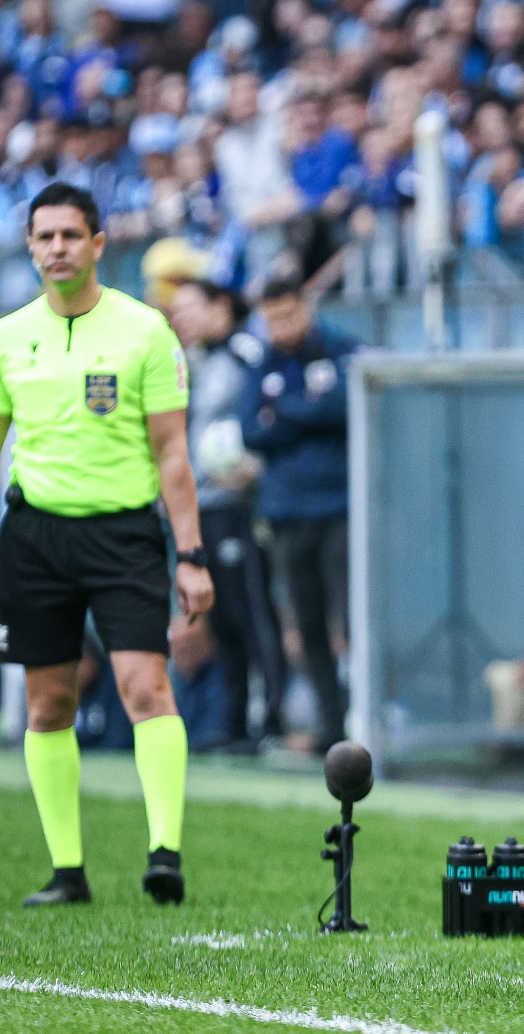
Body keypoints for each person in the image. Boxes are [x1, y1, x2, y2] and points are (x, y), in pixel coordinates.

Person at [0, 181, 213, 908]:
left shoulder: (145, 331)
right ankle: (68, 872)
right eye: (44, 237)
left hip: (124, 534)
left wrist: (190, 555)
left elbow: (173, 454)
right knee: (48, 704)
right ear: (30, 247)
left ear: (98, 244)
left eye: (71, 235)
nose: (57, 248)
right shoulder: (5, 338)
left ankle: (165, 855)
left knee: (145, 687)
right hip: (34, 537)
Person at [169, 278, 287, 752]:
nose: (182, 319)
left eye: (190, 308)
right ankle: (234, 720)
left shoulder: (246, 355)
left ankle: (271, 718)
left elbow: (271, 414)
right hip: (206, 507)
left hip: (240, 506)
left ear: (221, 306)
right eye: (176, 312)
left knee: (253, 611)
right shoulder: (200, 362)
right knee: (221, 617)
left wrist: (256, 467)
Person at [239, 273, 354, 755]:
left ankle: (364, 718)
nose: (281, 326)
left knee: (349, 620)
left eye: (288, 314)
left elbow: (347, 409)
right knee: (305, 625)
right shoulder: (261, 363)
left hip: (339, 507)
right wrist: (309, 411)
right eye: (272, 319)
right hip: (286, 512)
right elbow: (250, 431)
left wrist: (284, 411)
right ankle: (332, 728)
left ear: (306, 308)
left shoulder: (340, 349)